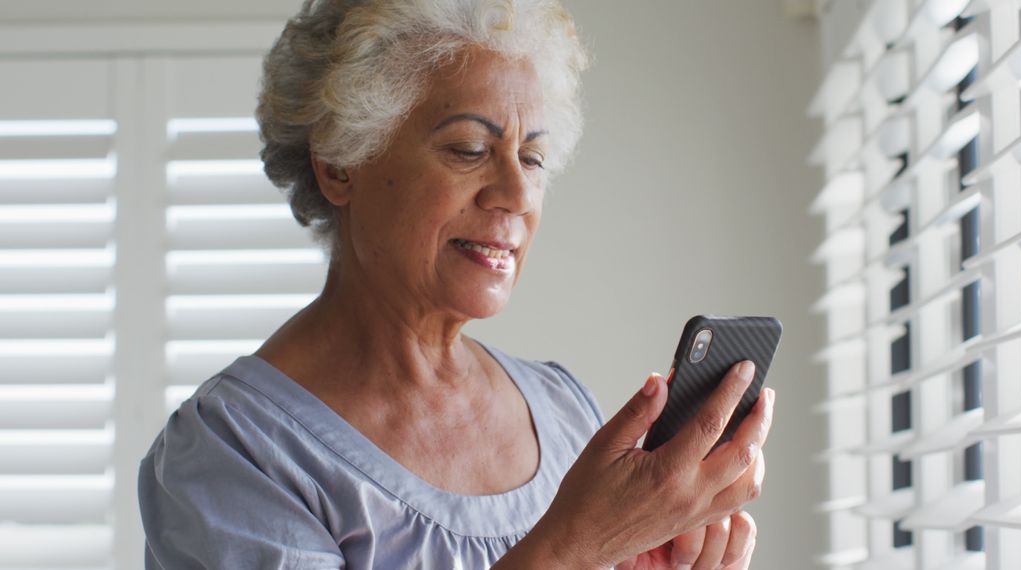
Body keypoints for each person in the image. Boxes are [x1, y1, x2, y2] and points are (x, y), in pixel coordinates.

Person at [137, 0, 775, 568]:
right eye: (470, 148)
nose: (518, 194)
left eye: (532, 158)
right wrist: (574, 547)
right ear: (338, 163)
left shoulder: (561, 409)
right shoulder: (232, 453)